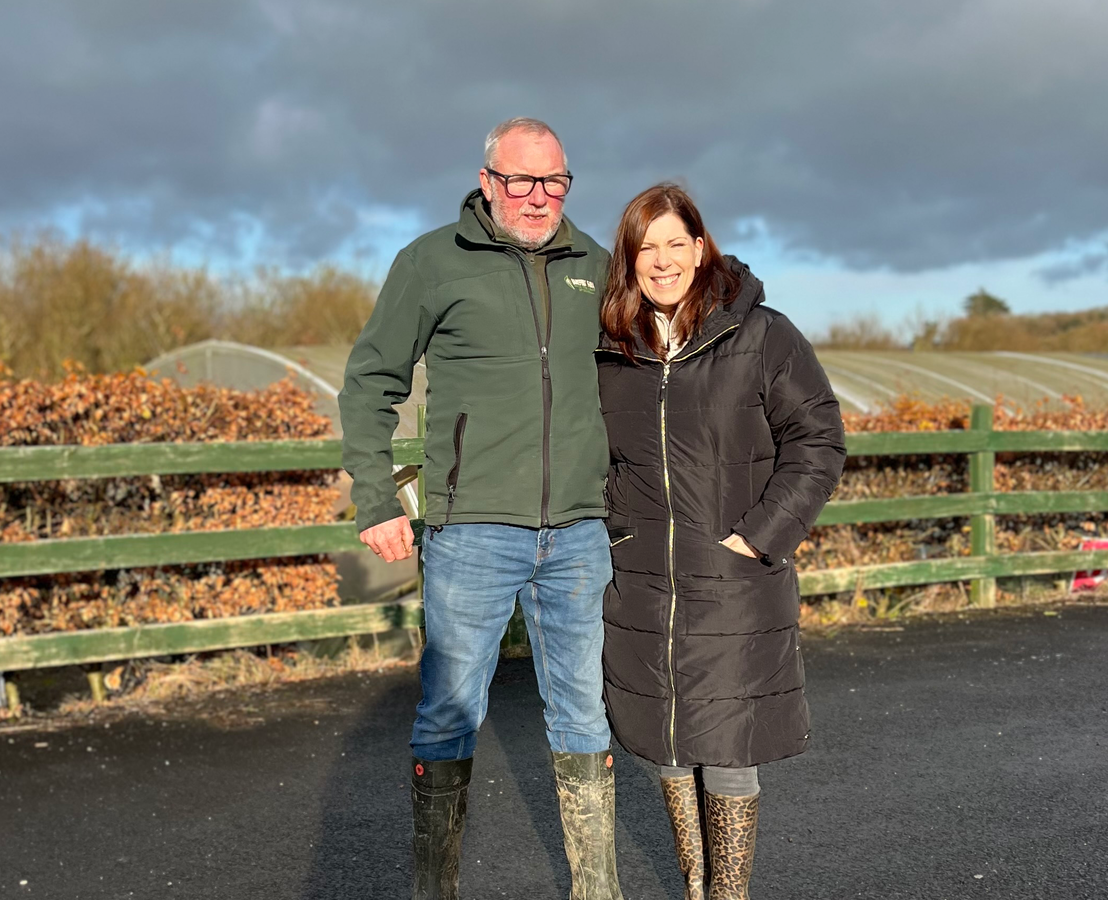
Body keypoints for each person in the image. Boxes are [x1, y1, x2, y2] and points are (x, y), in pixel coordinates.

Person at [339, 117, 623, 900]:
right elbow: (371, 383)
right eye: (522, 181)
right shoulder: (432, 262)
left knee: (584, 714)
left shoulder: (596, 266)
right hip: (470, 532)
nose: (539, 198)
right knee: (447, 714)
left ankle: (597, 890)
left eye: (555, 181)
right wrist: (375, 497)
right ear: (488, 179)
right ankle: (436, 889)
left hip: (576, 532)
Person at [596, 184, 845, 899]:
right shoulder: (615, 349)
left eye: (677, 242)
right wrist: (616, 527)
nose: (663, 260)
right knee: (665, 743)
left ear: (702, 248)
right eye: (648, 247)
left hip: (732, 580)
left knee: (729, 748)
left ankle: (727, 896)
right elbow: (597, 455)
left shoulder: (763, 336)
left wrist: (761, 536)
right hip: (642, 577)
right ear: (630, 260)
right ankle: (695, 887)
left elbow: (817, 440)